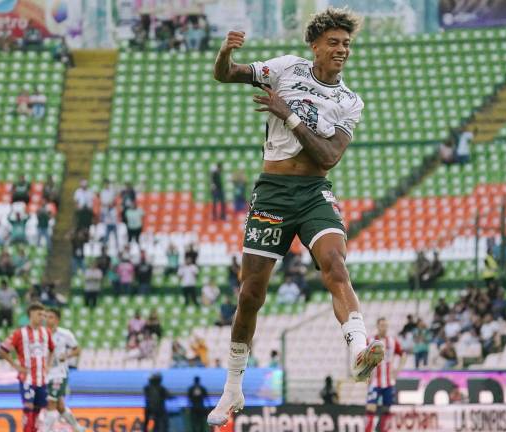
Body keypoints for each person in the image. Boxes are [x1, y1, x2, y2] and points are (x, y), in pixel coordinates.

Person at [207, 9, 380, 427]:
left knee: (336, 265)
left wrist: (289, 116)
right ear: (315, 45)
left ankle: (358, 349)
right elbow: (226, 75)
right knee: (250, 293)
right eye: (335, 43)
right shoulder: (286, 69)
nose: (342, 50)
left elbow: (329, 157)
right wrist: (224, 53)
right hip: (272, 192)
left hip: (314, 192)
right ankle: (232, 388)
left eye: (347, 44)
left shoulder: (349, 101)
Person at [0, 303, 54, 432]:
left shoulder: (46, 332)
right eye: (39, 314)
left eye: (44, 315)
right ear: (30, 315)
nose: (42, 317)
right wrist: (16, 366)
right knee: (28, 407)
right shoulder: (20, 333)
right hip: (27, 378)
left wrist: (48, 365)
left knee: (38, 408)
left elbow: (52, 349)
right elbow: (3, 349)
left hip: (42, 379)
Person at [39, 308, 84, 432]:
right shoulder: (40, 334)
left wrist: (67, 355)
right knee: (59, 405)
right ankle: (77, 428)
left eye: (51, 317)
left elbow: (77, 349)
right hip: (44, 373)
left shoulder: (65, 334)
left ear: (57, 320)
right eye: (46, 317)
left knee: (51, 402)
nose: (48, 319)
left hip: (59, 373)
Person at [365, 318, 404, 432]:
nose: (384, 328)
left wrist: (398, 369)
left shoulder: (392, 341)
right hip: (375, 382)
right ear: (377, 326)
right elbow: (363, 358)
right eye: (382, 325)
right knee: (371, 408)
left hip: (388, 383)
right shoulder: (370, 340)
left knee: (387, 410)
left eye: (386, 325)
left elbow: (403, 355)